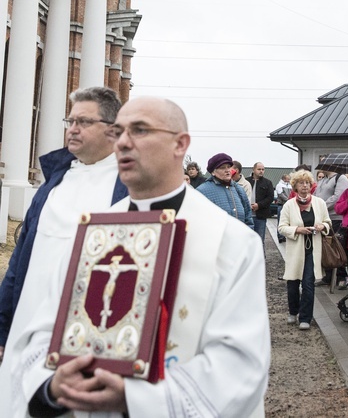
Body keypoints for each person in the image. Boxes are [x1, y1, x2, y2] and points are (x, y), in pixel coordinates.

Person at [10, 97, 270, 416]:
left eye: (140, 130)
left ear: (180, 144)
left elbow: (238, 363)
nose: (123, 142)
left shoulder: (231, 242)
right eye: (118, 132)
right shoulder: (93, 232)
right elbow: (43, 330)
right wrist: (53, 385)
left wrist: (135, 399)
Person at [0, 87, 128, 406]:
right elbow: (19, 260)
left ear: (113, 129)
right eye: (70, 120)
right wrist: (1, 326)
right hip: (28, 315)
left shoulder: (128, 187)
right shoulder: (54, 182)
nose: (72, 129)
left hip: (87, 329)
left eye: (83, 121)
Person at [278, 169, 332, 330]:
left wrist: (322, 226)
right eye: (301, 183)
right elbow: (281, 227)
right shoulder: (289, 205)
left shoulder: (319, 203)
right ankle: (293, 312)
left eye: (307, 183)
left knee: (308, 283)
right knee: (293, 283)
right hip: (295, 250)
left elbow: (328, 223)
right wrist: (297, 230)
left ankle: (305, 317)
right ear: (295, 186)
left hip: (313, 250)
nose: (304, 186)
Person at [197, 153, 254, 228]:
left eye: (229, 167)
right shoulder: (202, 191)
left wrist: (247, 237)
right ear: (213, 172)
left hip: (239, 238)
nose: (227, 170)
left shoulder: (239, 189)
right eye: (222, 167)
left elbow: (248, 218)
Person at [315, 170, 348, 288]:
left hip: (335, 218)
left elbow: (338, 197)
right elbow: (316, 195)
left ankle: (341, 276)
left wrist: (322, 206)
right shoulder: (323, 179)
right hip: (322, 218)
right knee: (326, 248)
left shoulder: (340, 178)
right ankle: (328, 276)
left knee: (336, 247)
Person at [249, 162, 275, 247]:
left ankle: (261, 259)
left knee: (259, 240)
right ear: (253, 169)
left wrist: (259, 205)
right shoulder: (246, 181)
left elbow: (270, 198)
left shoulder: (268, 183)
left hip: (260, 216)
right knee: (248, 241)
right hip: (247, 216)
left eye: (263, 169)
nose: (261, 171)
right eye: (259, 169)